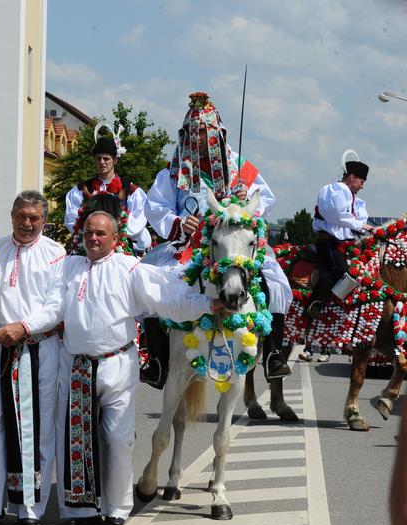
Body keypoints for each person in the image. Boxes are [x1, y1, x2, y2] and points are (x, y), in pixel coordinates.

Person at [14, 211, 220, 525]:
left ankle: (117, 507)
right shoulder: (69, 267)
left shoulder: (130, 268)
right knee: (75, 439)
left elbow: (168, 296)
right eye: (88, 233)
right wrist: (22, 325)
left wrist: (208, 305)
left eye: (100, 233)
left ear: (114, 237)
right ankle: (80, 510)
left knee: (117, 438)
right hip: (76, 366)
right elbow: (48, 301)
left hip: (117, 363)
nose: (93, 239)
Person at [142, 91, 292, 387]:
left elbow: (266, 199)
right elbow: (155, 205)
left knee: (275, 283)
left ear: (217, 133)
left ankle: (273, 354)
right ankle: (157, 360)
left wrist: (246, 199)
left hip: (232, 245)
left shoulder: (239, 167)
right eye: (192, 131)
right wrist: (178, 222)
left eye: (203, 131)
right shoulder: (176, 169)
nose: (198, 138)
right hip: (189, 244)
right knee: (152, 282)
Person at [0, 191, 66, 525]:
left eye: (34, 218)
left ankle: (30, 508)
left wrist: (23, 327)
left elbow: (57, 306)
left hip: (38, 349)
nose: (27, 223)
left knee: (37, 429)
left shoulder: (56, 254)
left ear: (44, 220)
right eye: (21, 216)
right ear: (12, 216)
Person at [64, 129, 151, 255]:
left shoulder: (130, 190)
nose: (102, 162)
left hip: (120, 250)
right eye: (98, 158)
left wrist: (112, 233)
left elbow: (138, 221)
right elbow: (72, 220)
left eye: (106, 159)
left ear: (115, 160)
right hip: (89, 248)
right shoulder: (82, 190)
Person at [308, 157, 373, 318]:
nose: (363, 186)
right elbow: (336, 215)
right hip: (328, 241)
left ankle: (339, 303)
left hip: (345, 242)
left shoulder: (353, 198)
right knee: (340, 269)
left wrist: (367, 230)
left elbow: (359, 219)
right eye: (361, 181)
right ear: (352, 177)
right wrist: (361, 225)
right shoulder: (334, 190)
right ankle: (314, 303)